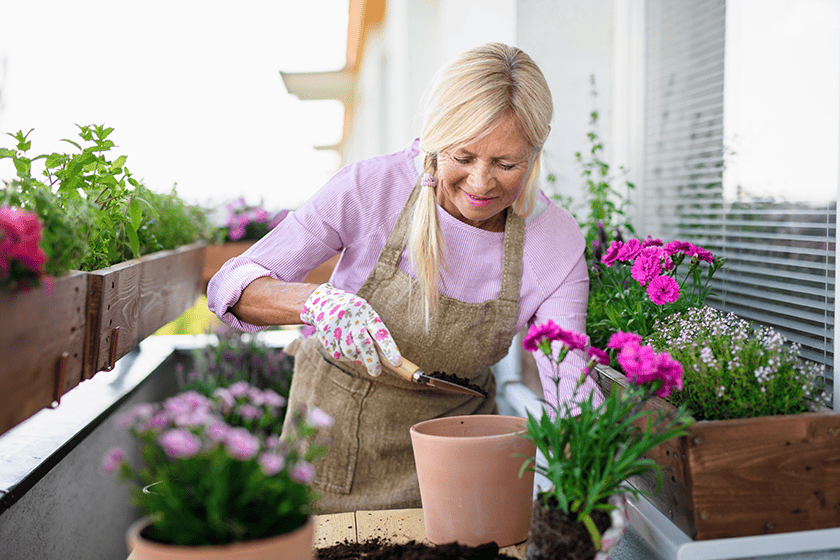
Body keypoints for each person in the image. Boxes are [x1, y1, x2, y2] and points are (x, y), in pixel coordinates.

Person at [207, 42, 604, 514]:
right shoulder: (374, 188)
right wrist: (316, 302)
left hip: (459, 452)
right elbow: (231, 286)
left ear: (537, 149)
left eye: (506, 164)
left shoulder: (551, 240)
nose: (480, 183)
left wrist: (598, 484)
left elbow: (570, 379)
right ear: (435, 137)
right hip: (335, 444)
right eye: (463, 156)